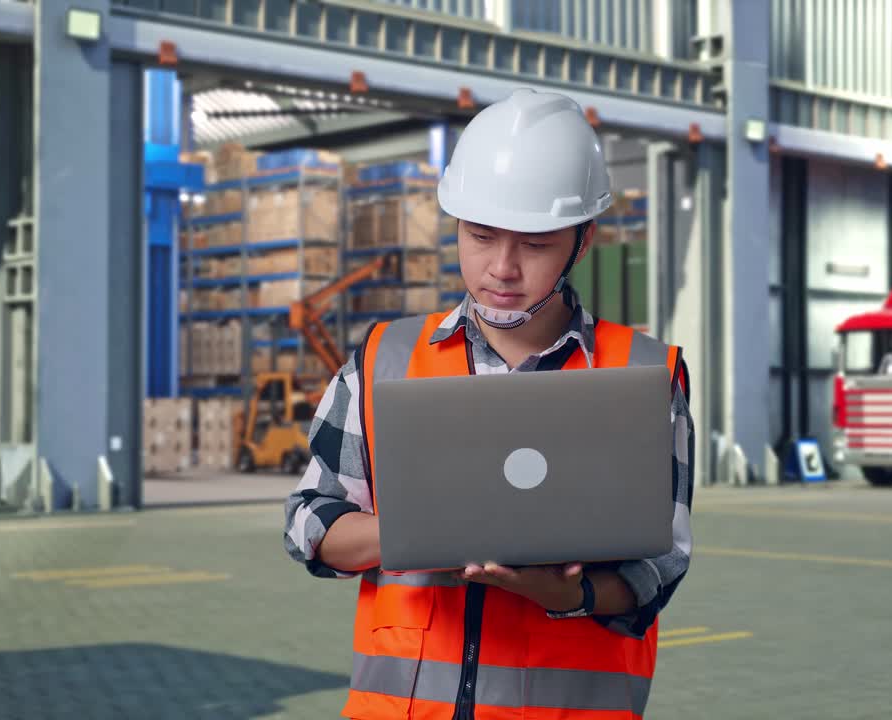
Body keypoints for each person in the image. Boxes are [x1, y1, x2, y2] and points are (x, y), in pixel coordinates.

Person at [283, 88, 694, 720]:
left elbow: (659, 567)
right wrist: (417, 537)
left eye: (533, 245)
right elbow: (310, 522)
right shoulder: (384, 358)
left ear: (580, 243)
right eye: (480, 236)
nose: (500, 268)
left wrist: (567, 594)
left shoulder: (645, 374)